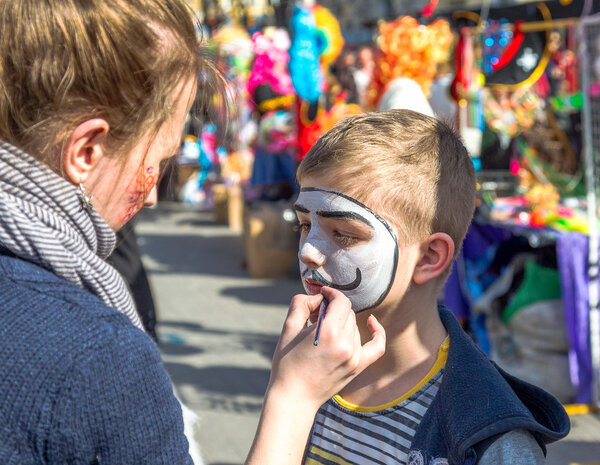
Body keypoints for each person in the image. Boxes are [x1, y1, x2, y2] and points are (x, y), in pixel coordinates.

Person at [0, 1, 385, 464]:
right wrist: (294, 397)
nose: (153, 199)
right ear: (87, 150)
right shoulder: (95, 361)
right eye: (158, 162)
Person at [293, 109, 570, 465]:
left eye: (344, 234)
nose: (309, 251)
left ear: (429, 257)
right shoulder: (310, 369)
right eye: (302, 225)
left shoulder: (486, 437)